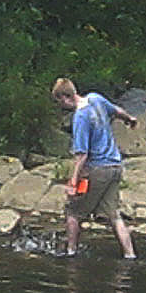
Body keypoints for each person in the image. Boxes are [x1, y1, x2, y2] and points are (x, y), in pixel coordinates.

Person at [51, 78, 138, 259]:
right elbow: (117, 111)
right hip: (116, 165)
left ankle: (71, 253)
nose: (61, 105)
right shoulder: (95, 98)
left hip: (99, 169)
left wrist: (73, 182)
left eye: (59, 101)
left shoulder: (80, 117)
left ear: (65, 97)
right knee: (114, 216)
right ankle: (130, 255)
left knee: (73, 212)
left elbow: (82, 155)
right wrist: (129, 119)